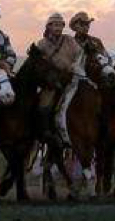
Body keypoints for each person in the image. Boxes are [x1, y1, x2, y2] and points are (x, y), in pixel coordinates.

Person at [35, 12, 84, 146]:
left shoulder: (69, 40)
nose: (58, 28)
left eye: (60, 25)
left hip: (71, 78)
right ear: (49, 26)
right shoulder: (42, 44)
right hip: (52, 82)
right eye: (55, 25)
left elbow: (80, 53)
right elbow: (38, 64)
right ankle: (47, 131)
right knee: (45, 106)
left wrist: (75, 65)